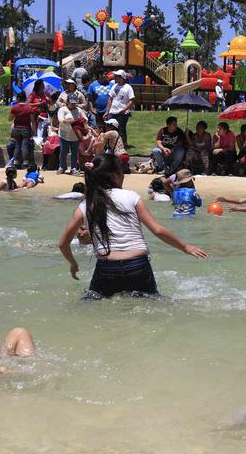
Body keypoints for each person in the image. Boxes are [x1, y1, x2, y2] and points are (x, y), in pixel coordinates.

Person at [58, 154, 208, 298]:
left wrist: (73, 263)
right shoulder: (131, 196)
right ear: (115, 176)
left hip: (106, 269)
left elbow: (63, 243)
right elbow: (158, 230)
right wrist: (185, 247)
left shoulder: (86, 204)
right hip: (138, 266)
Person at [56, 90, 88, 175]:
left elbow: (85, 118)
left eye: (74, 103)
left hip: (75, 136)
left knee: (74, 153)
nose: (73, 104)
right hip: (64, 134)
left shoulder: (79, 110)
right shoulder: (62, 110)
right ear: (67, 102)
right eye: (71, 103)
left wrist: (81, 121)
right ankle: (62, 167)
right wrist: (68, 121)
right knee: (63, 152)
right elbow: (61, 119)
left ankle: (74, 168)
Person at [105, 70, 134, 146]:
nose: (115, 78)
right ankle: (112, 145)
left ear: (122, 78)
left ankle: (124, 145)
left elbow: (131, 100)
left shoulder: (128, 87)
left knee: (121, 129)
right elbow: (110, 99)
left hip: (122, 112)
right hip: (112, 111)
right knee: (111, 129)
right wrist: (107, 111)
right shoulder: (114, 86)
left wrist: (125, 109)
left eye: (117, 76)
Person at [9, 91, 37, 168]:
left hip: (17, 128)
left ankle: (16, 161)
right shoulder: (29, 108)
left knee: (17, 145)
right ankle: (25, 161)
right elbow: (33, 120)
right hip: (26, 128)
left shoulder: (14, 107)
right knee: (25, 146)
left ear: (18, 98)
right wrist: (34, 131)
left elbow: (10, 119)